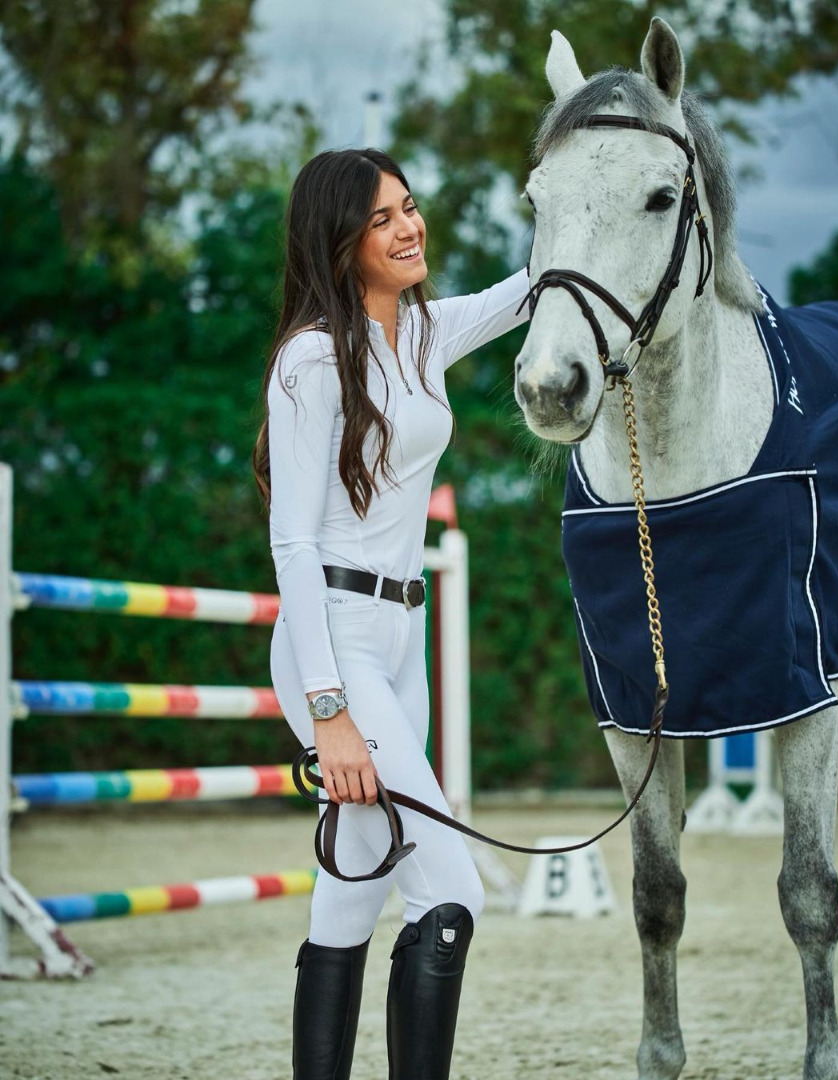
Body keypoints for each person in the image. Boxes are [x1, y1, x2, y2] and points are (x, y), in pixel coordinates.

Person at [253, 147, 528, 1080]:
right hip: (332, 641)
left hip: (400, 638)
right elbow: (292, 542)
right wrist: (329, 713)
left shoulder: (420, 332)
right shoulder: (308, 361)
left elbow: (531, 288)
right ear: (339, 241)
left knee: (352, 887)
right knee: (448, 890)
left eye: (410, 207)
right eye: (382, 218)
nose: (409, 227)